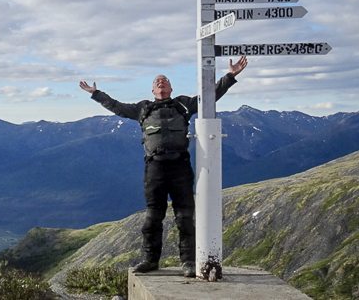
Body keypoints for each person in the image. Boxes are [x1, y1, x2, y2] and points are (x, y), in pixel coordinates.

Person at [79, 56, 248, 277]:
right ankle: (150, 260)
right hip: (155, 168)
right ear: (152, 89)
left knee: (185, 217)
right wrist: (95, 93)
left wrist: (230, 76)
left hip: (180, 167)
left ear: (171, 87)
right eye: (157, 81)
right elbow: (118, 107)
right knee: (152, 217)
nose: (161, 82)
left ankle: (188, 263)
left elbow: (209, 96)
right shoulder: (143, 109)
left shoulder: (183, 104)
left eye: (165, 80)